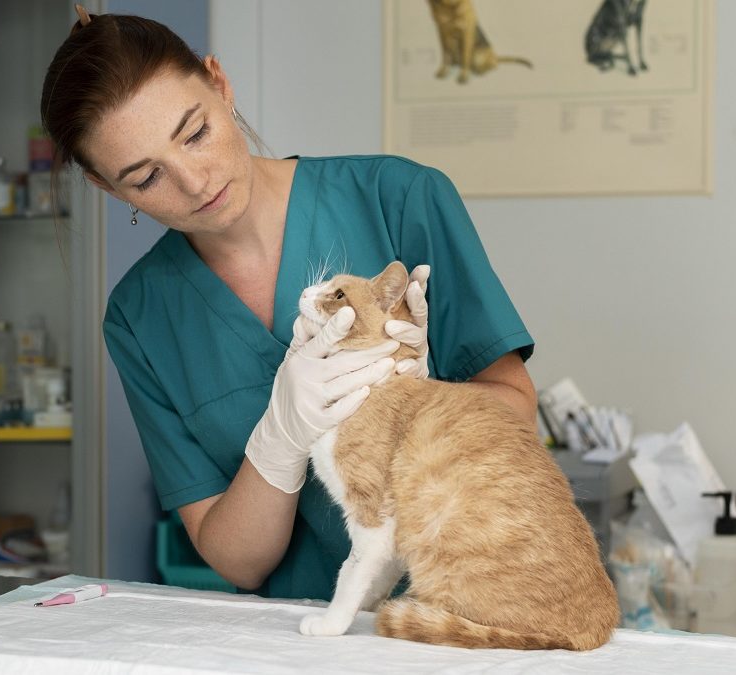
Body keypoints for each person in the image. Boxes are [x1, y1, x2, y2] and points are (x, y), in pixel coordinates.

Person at [40, 8, 536, 601]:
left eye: (195, 133)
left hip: (473, 604)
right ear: (106, 186)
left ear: (219, 84)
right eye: (146, 178)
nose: (195, 183)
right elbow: (237, 562)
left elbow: (518, 417)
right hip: (305, 634)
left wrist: (416, 398)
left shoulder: (398, 200)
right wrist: (280, 436)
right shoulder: (141, 316)